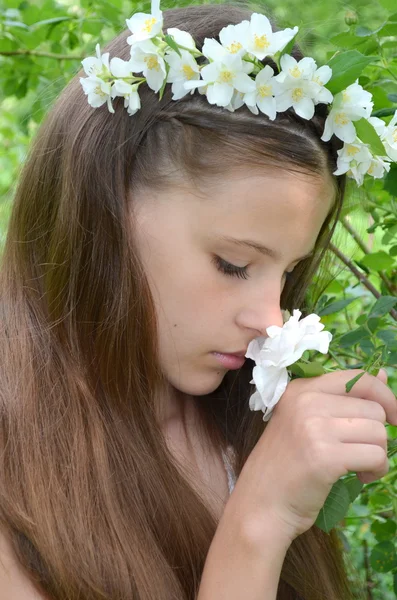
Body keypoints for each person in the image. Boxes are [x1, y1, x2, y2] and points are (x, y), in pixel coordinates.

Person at [1, 3, 396, 599]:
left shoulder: (251, 426)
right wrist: (256, 524)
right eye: (233, 264)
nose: (269, 320)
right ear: (101, 215)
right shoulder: (17, 474)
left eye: (287, 275)